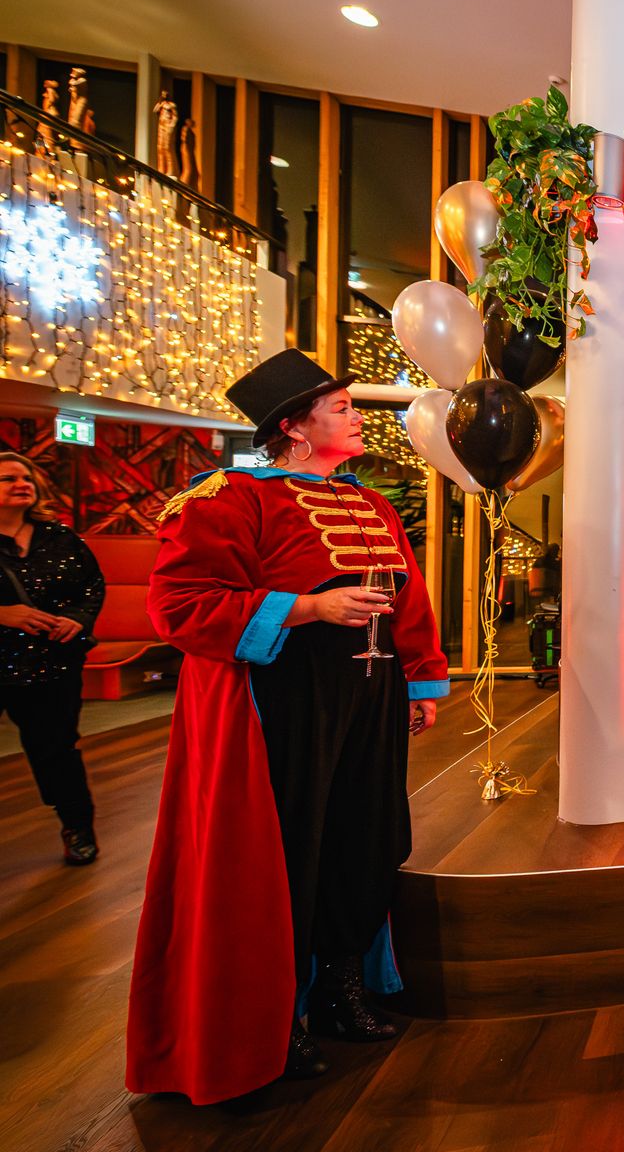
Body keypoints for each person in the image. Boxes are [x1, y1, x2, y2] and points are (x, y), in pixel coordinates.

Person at [127, 351, 449, 1104]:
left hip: (369, 696)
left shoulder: (373, 506)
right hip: (280, 702)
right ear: (295, 428)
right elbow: (178, 606)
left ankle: (341, 987)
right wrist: (307, 607)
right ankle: (281, 1014)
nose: (359, 416)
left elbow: (408, 597)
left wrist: (422, 678)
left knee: (363, 840)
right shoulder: (228, 498)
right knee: (286, 853)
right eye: (343, 408)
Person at [0, 451, 105, 865]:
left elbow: (91, 587)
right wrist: (3, 614)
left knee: (57, 750)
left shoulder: (60, 538)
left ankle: (77, 828)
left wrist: (78, 619)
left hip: (52, 663)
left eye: (26, 478)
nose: (21, 484)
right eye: (8, 479)